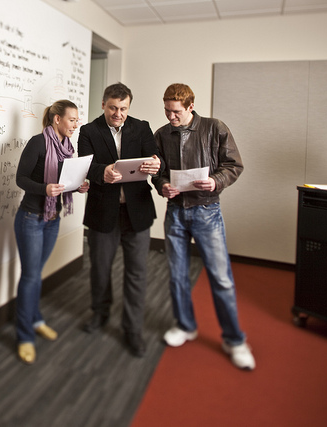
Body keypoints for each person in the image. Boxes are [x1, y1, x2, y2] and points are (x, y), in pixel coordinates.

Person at [152, 83, 256, 370]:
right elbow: (157, 172)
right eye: (166, 110)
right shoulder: (161, 134)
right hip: (175, 212)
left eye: (175, 112)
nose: (170, 117)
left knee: (220, 278)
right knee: (176, 275)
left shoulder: (214, 128)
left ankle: (234, 340)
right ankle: (185, 326)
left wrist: (216, 181)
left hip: (207, 211)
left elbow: (234, 165)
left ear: (190, 107)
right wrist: (162, 186)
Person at [78, 83, 161, 357]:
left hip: (136, 212)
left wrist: (155, 164)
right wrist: (103, 172)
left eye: (124, 109)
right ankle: (100, 313)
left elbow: (153, 158)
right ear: (103, 105)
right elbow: (85, 164)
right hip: (103, 212)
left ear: (129, 107)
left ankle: (132, 329)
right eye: (113, 108)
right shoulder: (89, 131)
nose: (118, 114)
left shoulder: (142, 127)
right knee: (100, 269)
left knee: (136, 273)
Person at [14, 99, 89, 365]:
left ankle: (35, 320)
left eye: (77, 120)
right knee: (31, 277)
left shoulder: (68, 148)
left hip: (52, 218)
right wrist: (44, 189)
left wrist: (77, 186)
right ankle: (24, 336)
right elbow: (21, 179)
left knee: (36, 275)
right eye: (72, 119)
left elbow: (63, 182)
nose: (75, 124)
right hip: (31, 218)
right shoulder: (38, 142)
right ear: (57, 119)